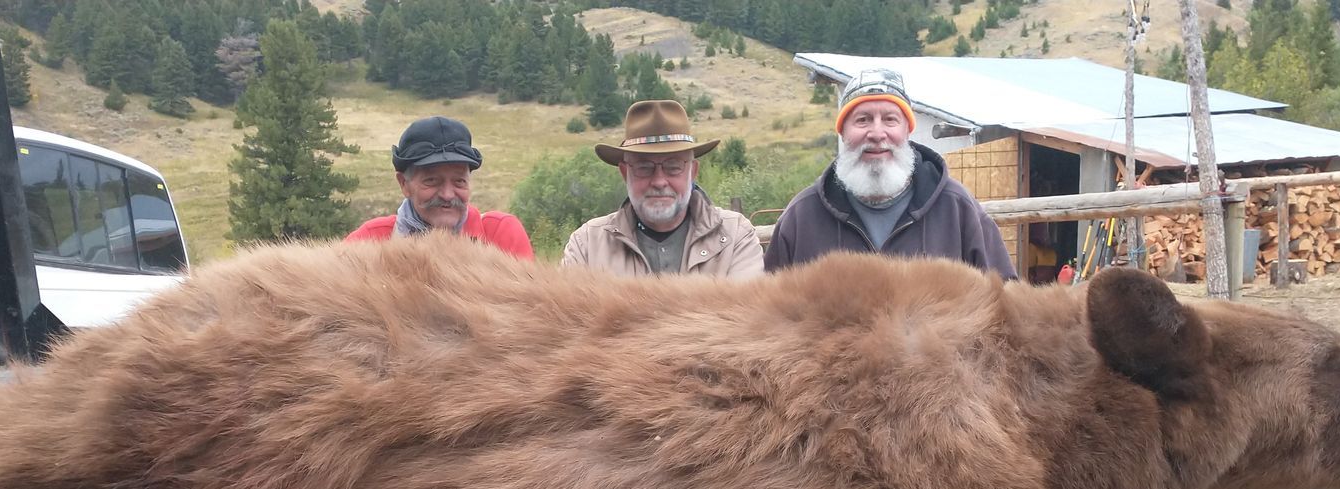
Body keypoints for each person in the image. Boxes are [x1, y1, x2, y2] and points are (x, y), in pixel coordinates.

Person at [763, 69, 1015, 278]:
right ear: (843, 133)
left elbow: (1005, 302)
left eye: (890, 119)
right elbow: (769, 316)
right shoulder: (802, 217)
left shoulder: (958, 208)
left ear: (907, 130)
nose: (876, 133)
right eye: (862, 120)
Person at [561, 99, 762, 279]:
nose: (659, 181)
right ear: (624, 173)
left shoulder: (736, 236)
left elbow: (745, 317)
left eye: (673, 167)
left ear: (692, 172)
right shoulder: (587, 245)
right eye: (644, 167)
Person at [345, 116, 533, 259]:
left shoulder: (500, 234)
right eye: (432, 181)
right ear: (404, 184)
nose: (447, 194)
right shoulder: (369, 242)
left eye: (459, 181)